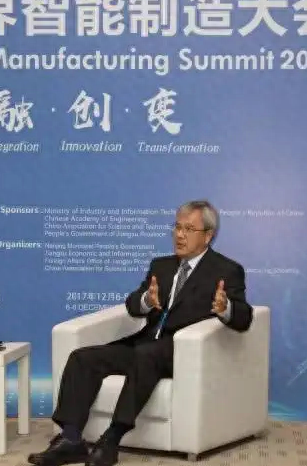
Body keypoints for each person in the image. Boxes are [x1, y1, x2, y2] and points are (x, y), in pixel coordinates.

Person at [28, 200, 253, 466]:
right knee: (83, 358)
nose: (180, 235)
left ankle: (111, 439)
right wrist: (147, 299)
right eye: (177, 227)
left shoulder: (226, 270)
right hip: (144, 346)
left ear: (208, 236)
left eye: (189, 229)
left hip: (181, 353)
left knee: (147, 354)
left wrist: (225, 308)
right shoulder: (161, 266)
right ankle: (71, 439)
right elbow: (133, 306)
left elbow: (244, 317)